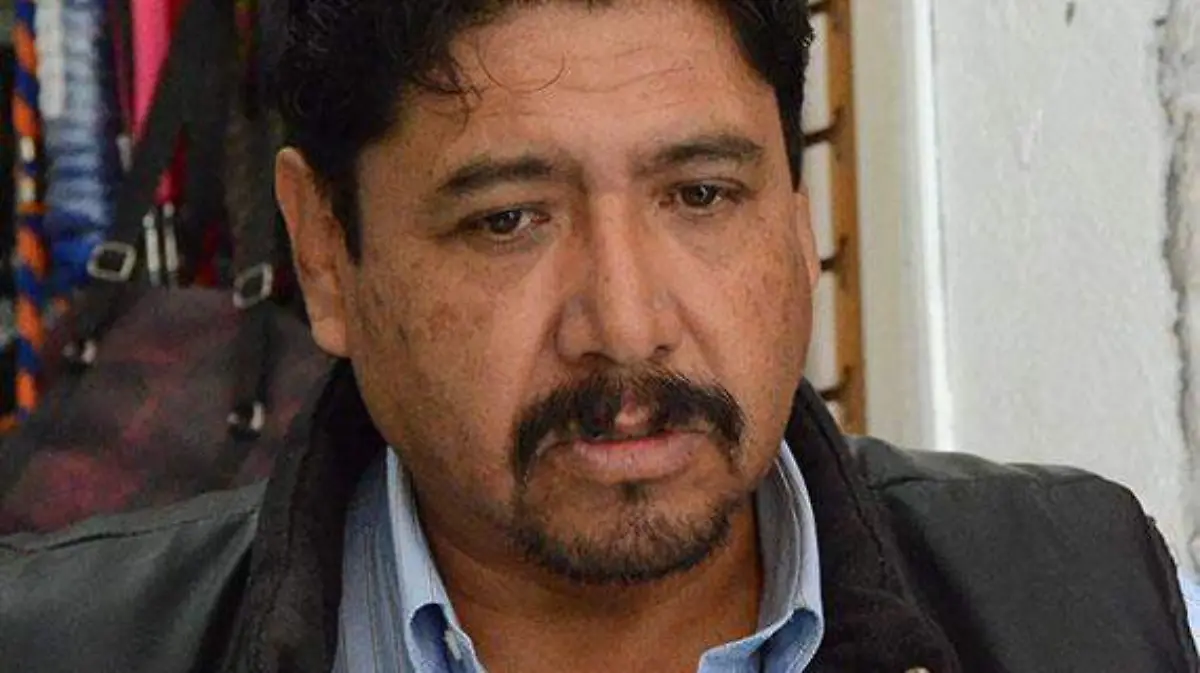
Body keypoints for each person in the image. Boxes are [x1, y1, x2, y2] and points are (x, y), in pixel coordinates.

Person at [2, 1, 1199, 671]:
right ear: (325, 253)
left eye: (702, 195)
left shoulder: (1094, 601)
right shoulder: (61, 645)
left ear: (797, 214)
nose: (626, 325)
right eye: (508, 220)